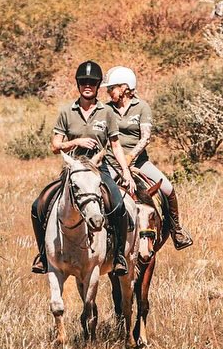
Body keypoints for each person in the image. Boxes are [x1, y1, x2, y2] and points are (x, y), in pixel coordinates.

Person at [30, 61, 135, 276]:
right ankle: (43, 255)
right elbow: (55, 145)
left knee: (118, 204)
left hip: (99, 169)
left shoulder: (106, 112)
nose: (88, 86)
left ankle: (119, 257)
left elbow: (115, 144)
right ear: (78, 84)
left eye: (92, 82)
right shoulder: (67, 111)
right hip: (73, 170)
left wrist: (125, 171)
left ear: (98, 86)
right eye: (84, 82)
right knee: (38, 206)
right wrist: (75, 143)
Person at [102, 66, 193, 249]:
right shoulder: (105, 109)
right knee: (97, 192)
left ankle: (176, 230)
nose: (108, 91)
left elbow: (146, 137)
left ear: (125, 87)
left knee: (167, 188)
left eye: (112, 88)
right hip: (112, 163)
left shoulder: (142, 107)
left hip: (139, 162)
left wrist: (131, 157)